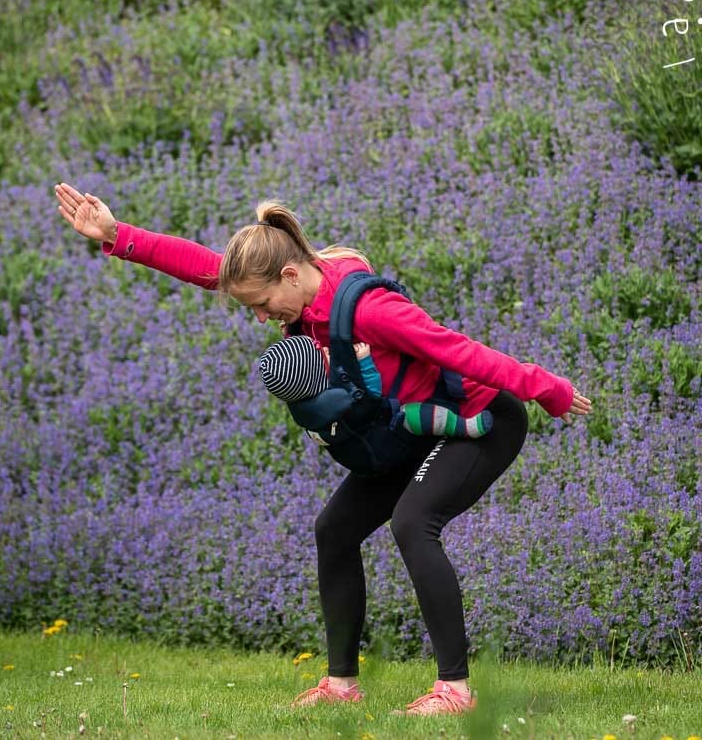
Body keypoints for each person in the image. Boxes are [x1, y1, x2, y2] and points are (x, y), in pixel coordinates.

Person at [53, 183, 592, 716]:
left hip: (482, 416)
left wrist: (549, 389)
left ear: (290, 275)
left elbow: (459, 351)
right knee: (333, 530)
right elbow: (206, 267)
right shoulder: (297, 284)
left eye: (262, 304)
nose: (262, 318)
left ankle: (455, 690)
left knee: (413, 522)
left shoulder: (370, 310)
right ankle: (341, 685)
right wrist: (117, 235)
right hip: (416, 426)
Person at [257, 335, 495, 440]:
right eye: (322, 353)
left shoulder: (310, 413)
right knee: (417, 415)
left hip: (365, 441)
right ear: (317, 374)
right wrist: (365, 361)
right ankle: (462, 427)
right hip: (390, 424)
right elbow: (372, 393)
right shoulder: (342, 396)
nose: (325, 348)